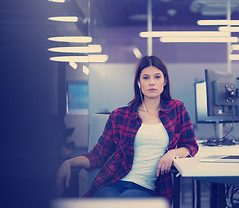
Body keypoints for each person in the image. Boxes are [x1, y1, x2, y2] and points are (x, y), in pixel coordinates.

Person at [56, 55, 198, 204]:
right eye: (145, 78)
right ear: (138, 82)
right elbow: (99, 155)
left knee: (125, 202)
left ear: (165, 81)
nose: (151, 82)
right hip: (113, 183)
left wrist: (172, 153)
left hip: (146, 188)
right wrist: (69, 163)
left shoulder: (176, 109)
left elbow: (190, 145)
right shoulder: (120, 115)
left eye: (157, 77)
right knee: (105, 200)